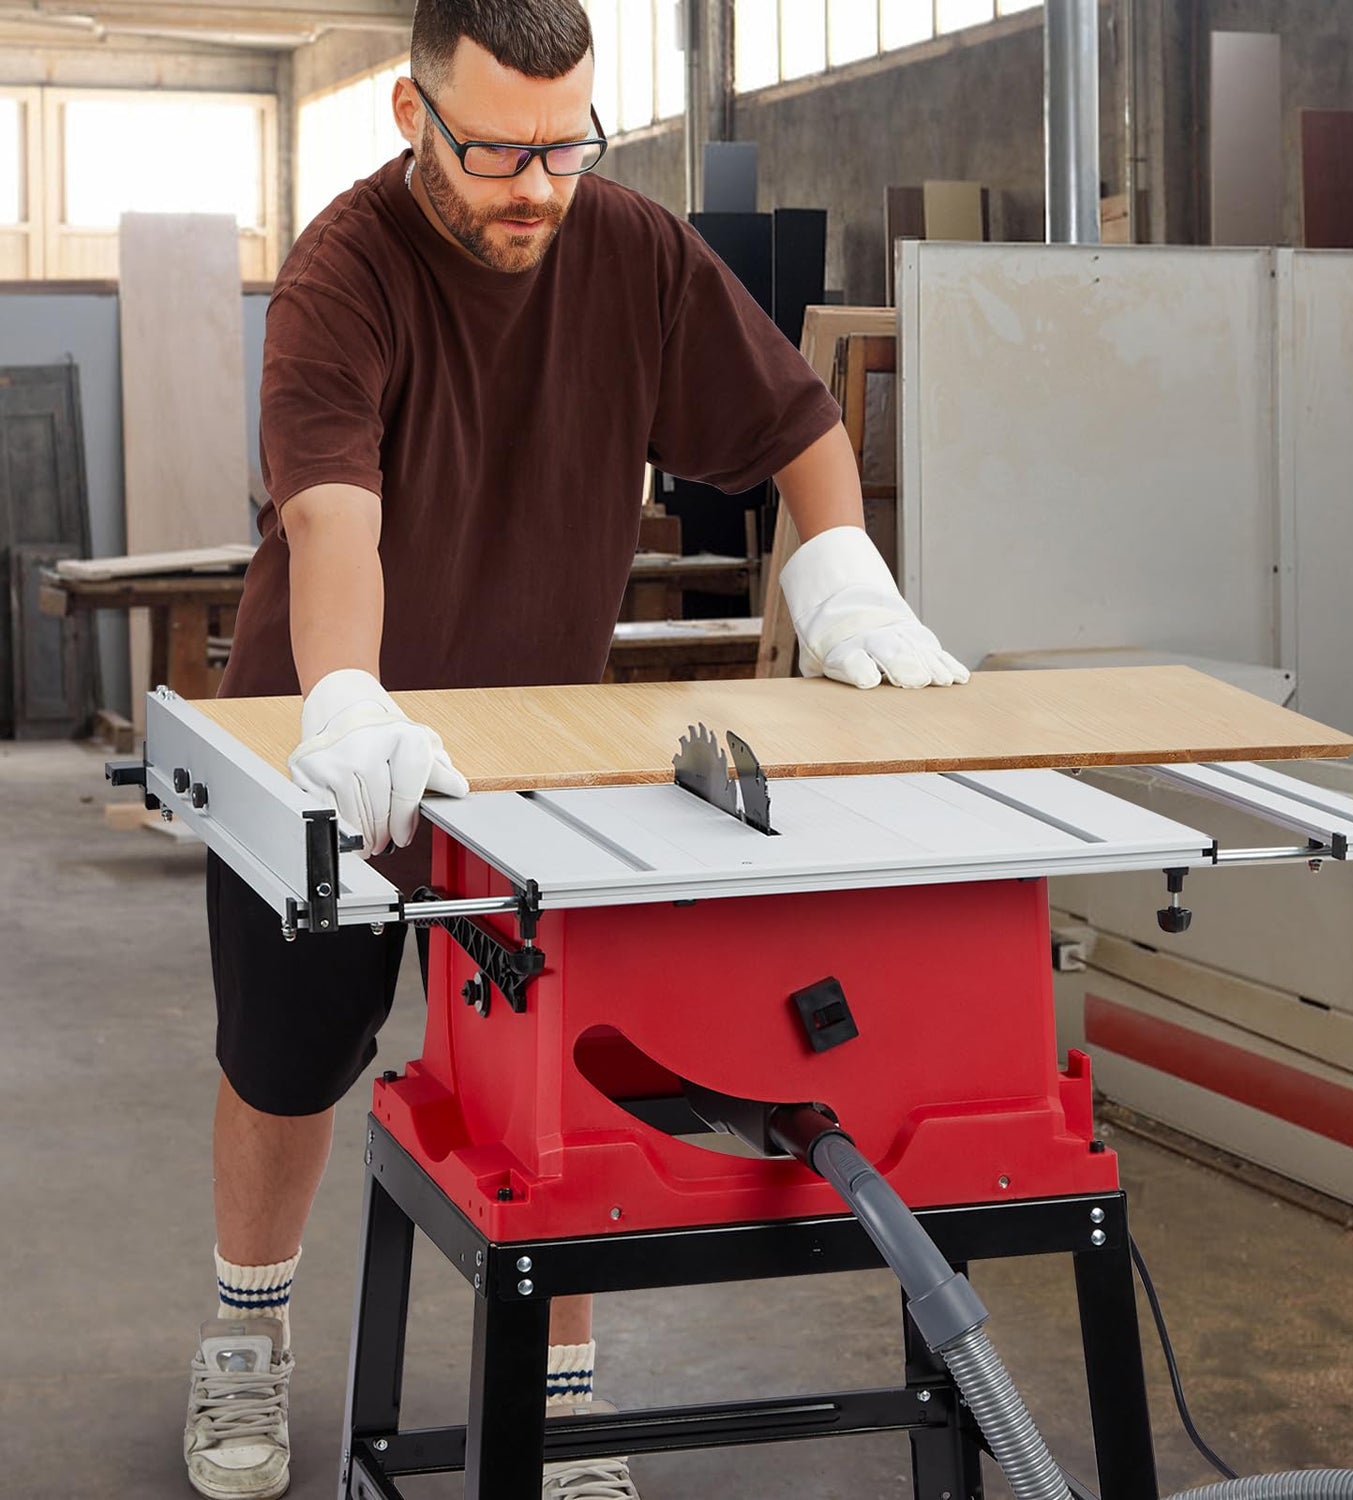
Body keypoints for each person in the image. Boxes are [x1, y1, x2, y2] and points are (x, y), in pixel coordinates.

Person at [183, 2, 969, 1496]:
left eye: (566, 146)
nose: (536, 186)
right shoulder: (343, 274)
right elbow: (332, 519)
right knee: (286, 1066)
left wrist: (844, 574)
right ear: (414, 116)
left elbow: (798, 423)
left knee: (550, 1077)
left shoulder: (633, 252)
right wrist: (347, 694)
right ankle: (247, 1333)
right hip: (328, 742)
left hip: (532, 759)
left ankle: (565, 1396)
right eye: (498, 151)